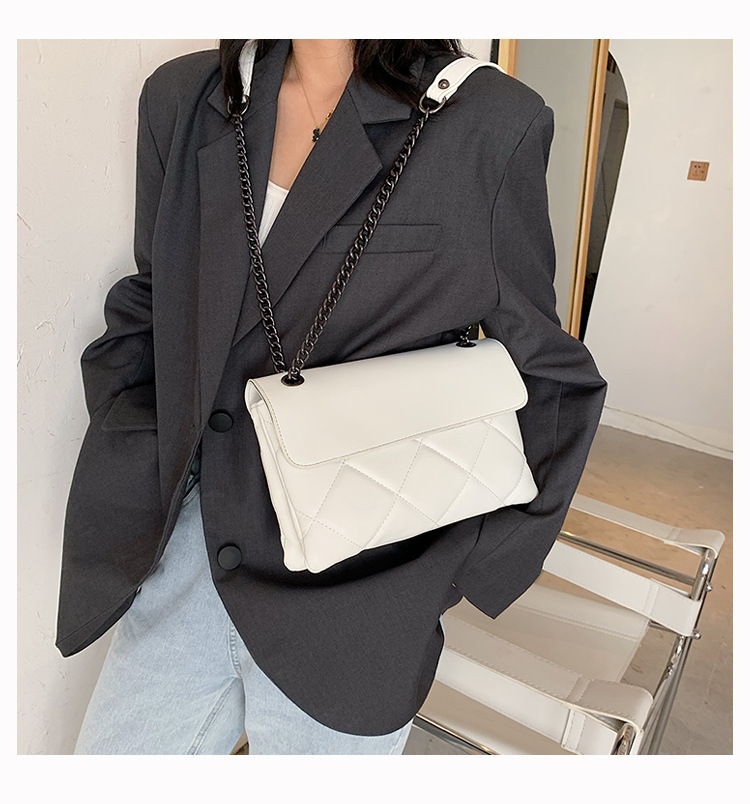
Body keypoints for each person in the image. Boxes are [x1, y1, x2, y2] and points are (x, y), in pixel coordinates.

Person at [58, 38, 608, 754]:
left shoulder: (489, 122)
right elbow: (156, 298)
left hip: (362, 597)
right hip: (190, 553)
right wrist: (136, 456)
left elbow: (546, 370)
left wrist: (453, 568)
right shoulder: (185, 99)